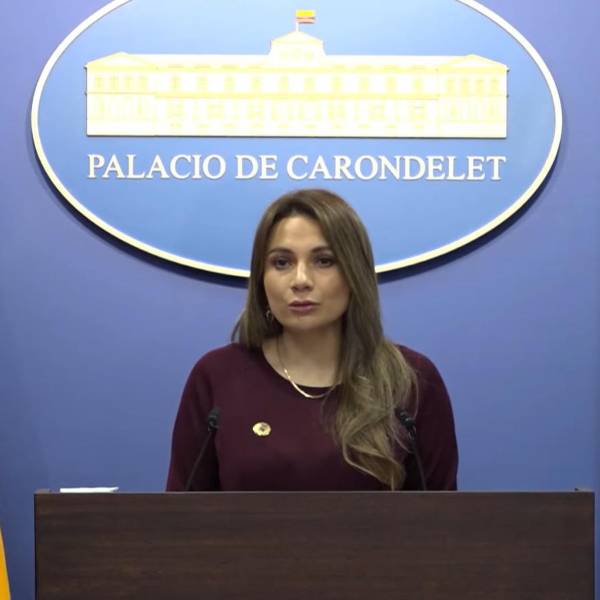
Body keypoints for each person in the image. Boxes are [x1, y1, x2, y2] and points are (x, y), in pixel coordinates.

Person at [166, 189, 457, 491]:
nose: (301, 280)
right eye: (282, 263)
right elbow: (180, 514)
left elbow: (442, 516)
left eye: (323, 261)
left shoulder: (411, 380)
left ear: (354, 273)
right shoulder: (217, 376)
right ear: (261, 277)